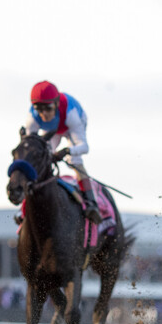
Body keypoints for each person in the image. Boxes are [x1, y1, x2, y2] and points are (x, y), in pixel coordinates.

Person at [25, 80, 102, 223]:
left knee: (75, 160)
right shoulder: (32, 119)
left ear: (56, 104)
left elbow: (84, 147)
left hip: (70, 126)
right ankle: (26, 204)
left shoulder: (71, 113)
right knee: (43, 158)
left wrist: (66, 151)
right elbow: (31, 148)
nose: (43, 114)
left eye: (47, 108)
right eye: (38, 108)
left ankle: (91, 204)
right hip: (53, 130)